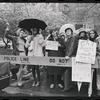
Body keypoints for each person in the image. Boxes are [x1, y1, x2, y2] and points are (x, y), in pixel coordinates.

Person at [62, 27, 78, 92]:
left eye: (69, 31)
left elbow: (71, 47)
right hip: (69, 56)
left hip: (71, 57)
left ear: (71, 32)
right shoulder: (68, 39)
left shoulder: (73, 38)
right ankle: (71, 85)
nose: (68, 32)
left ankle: (67, 87)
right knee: (70, 71)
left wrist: (68, 55)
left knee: (67, 71)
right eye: (67, 31)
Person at [88, 30, 98, 96]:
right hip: (90, 59)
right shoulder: (88, 41)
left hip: (97, 59)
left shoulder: (97, 40)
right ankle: (92, 88)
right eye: (90, 33)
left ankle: (97, 88)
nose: (91, 34)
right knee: (92, 74)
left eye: (93, 33)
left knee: (97, 74)